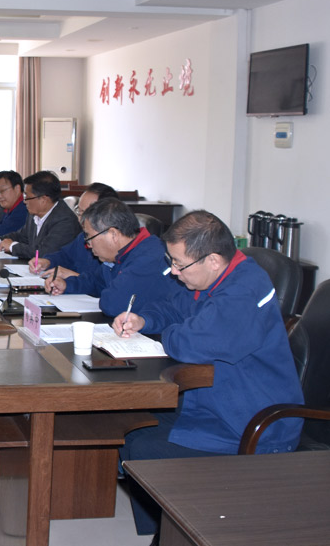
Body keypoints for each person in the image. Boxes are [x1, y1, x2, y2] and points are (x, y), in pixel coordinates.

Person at [112, 210, 304, 540]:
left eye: (179, 264)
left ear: (213, 260)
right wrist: (144, 320)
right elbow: (173, 306)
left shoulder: (244, 291)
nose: (173, 271)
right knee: (130, 422)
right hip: (215, 400)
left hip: (252, 421)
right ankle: (165, 528)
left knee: (145, 448)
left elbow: (192, 343)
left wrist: (169, 332)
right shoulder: (210, 277)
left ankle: (173, 535)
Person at [45, 197, 181, 316]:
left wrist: (107, 291)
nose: (88, 244)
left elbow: (113, 304)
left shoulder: (150, 257)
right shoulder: (119, 254)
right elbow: (96, 281)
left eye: (89, 237)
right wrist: (67, 285)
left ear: (113, 234)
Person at [0, 170, 80, 258]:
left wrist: (12, 246)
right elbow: (21, 236)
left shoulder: (65, 221)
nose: (24, 201)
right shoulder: (34, 213)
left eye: (27, 197)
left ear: (43, 199)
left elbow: (44, 253)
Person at [32, 182, 120, 277]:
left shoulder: (112, 245)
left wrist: (75, 276)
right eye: (79, 211)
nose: (80, 218)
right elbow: (65, 255)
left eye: (86, 213)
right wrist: (48, 262)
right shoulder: (83, 236)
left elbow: (102, 282)